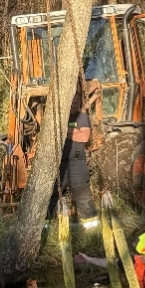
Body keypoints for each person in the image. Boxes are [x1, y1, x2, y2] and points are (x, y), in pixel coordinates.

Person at [48, 89, 99, 229]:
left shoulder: (83, 117)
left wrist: (65, 132)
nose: (74, 105)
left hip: (77, 163)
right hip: (60, 164)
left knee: (82, 195)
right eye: (72, 102)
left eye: (77, 102)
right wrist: (75, 131)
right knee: (51, 194)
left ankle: (91, 227)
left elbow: (84, 137)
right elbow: (51, 135)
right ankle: (46, 226)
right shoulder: (58, 117)